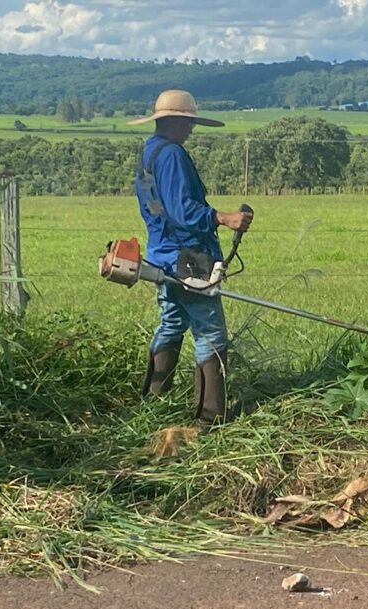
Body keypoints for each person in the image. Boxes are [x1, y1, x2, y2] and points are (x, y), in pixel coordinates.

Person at [128, 89, 253, 432]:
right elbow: (183, 210)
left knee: (171, 323)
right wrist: (223, 218)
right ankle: (209, 419)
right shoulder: (172, 156)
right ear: (177, 121)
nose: (192, 129)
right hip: (188, 259)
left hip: (162, 254)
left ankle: (153, 402)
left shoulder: (150, 153)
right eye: (189, 123)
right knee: (210, 331)